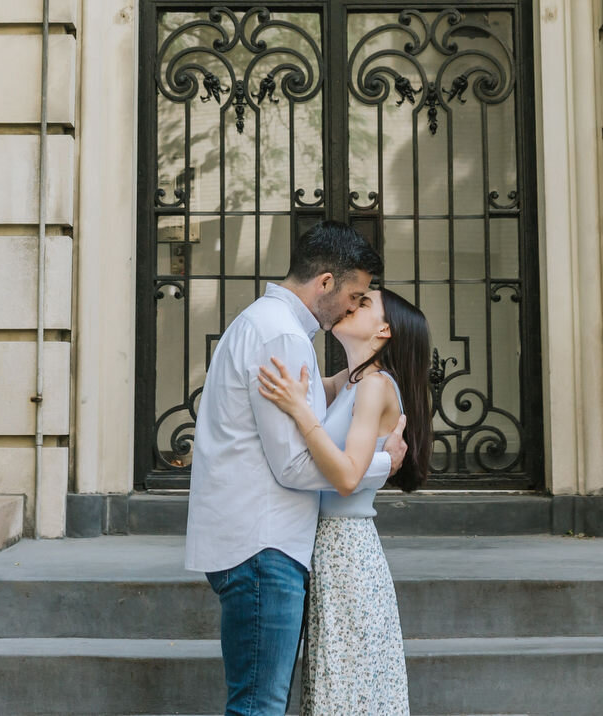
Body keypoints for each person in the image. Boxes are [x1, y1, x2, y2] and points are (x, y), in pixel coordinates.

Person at [184, 223, 409, 716]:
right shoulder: (282, 335)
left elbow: (330, 394)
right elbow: (294, 465)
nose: (353, 306)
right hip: (263, 544)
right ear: (325, 283)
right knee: (259, 705)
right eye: (353, 295)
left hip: (252, 539)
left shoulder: (264, 324)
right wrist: (379, 464)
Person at [256, 285, 432, 716]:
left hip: (347, 548)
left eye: (364, 302)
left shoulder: (375, 387)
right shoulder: (348, 383)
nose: (351, 305)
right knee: (334, 682)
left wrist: (300, 411)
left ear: (384, 330)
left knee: (348, 686)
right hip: (327, 545)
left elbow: (347, 476)